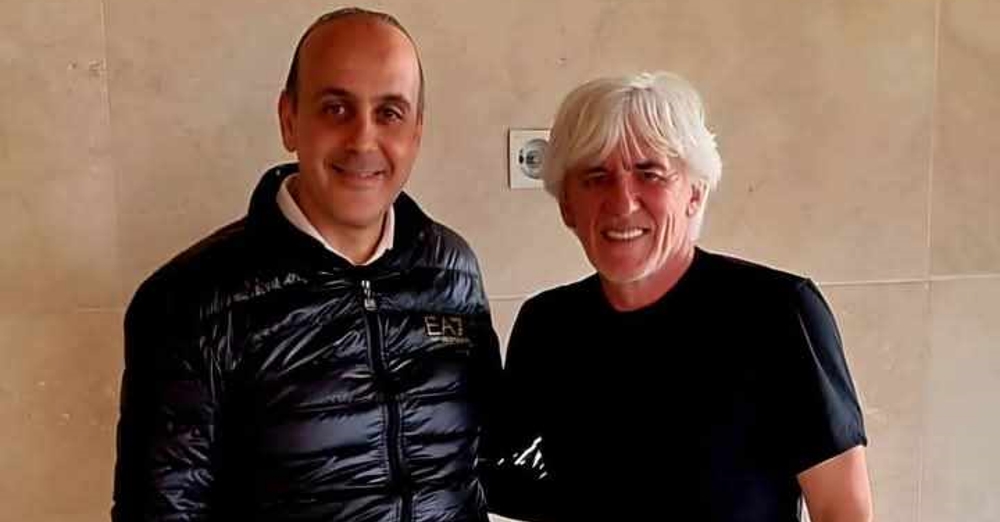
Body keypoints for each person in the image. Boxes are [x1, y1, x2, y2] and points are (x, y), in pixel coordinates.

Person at [112, 8, 501, 521]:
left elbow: (489, 468)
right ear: (289, 119)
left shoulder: (453, 272)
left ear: (417, 132)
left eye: (389, 112)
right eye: (336, 108)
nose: (363, 141)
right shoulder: (188, 301)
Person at [484, 72, 873, 521]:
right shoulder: (548, 325)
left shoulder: (776, 313)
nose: (623, 202)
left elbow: (842, 510)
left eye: (650, 173)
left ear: (694, 194)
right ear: (567, 206)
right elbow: (514, 487)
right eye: (596, 176)